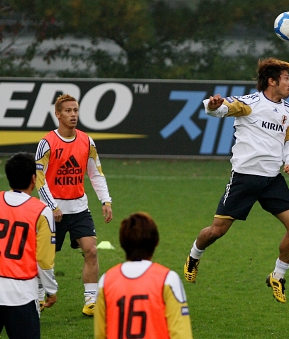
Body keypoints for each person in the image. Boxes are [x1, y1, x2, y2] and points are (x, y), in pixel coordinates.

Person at [183, 58, 289, 304]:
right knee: (217, 230)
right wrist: (212, 103)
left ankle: (278, 276)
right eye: (285, 79)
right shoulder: (250, 103)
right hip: (245, 178)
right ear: (272, 81)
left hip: (272, 180)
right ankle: (194, 256)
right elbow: (219, 109)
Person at [35, 93, 113, 316]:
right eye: (68, 111)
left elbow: (96, 173)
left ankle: (91, 300)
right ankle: (38, 297)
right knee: (44, 257)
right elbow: (39, 178)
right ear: (58, 114)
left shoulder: (87, 141)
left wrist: (106, 200)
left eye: (75, 110)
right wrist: (51, 205)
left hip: (79, 208)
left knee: (91, 250)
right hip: (52, 212)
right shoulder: (46, 143)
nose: (73, 115)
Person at [94, 212, 193, 338]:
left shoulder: (106, 281)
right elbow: (181, 334)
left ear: (122, 243)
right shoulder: (167, 279)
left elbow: (100, 334)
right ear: (156, 242)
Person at [0, 152, 58, 339]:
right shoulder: (42, 211)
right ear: (34, 179)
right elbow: (44, 259)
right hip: (21, 294)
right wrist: (51, 290)